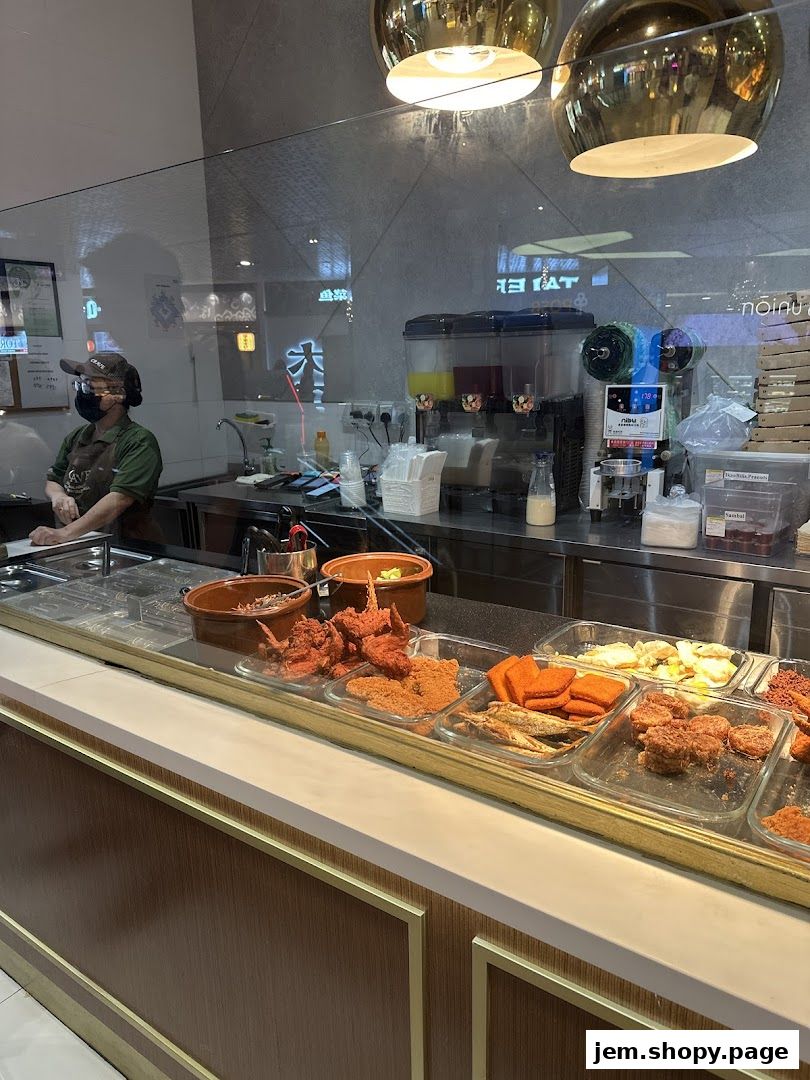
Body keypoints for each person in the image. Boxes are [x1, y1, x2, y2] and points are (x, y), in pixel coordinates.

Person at [29, 352, 163, 545]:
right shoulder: (78, 436)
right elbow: (53, 479)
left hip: (127, 545)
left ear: (117, 394)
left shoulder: (139, 441)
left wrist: (65, 533)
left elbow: (119, 499)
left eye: (89, 386)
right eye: (80, 385)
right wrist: (58, 496)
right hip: (84, 542)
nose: (82, 393)